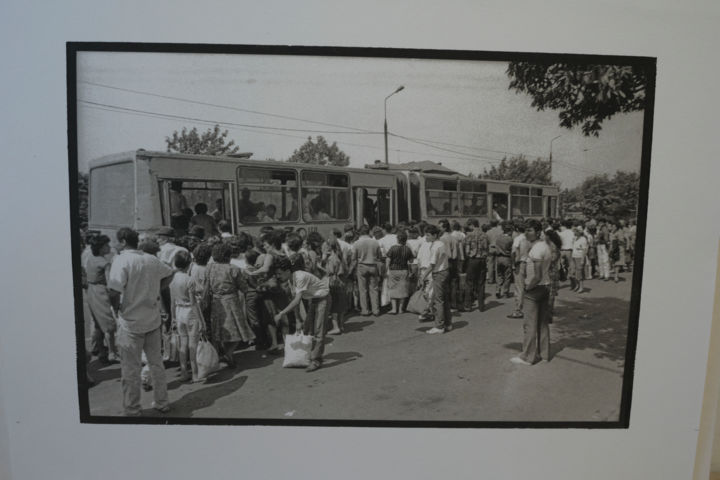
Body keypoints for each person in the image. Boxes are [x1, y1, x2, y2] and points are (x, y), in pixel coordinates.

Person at [107, 227, 175, 416]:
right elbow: (170, 273)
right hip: (152, 319)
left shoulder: (121, 260)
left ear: (122, 241)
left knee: (130, 369)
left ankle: (133, 408)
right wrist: (156, 290)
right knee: (156, 364)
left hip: (131, 322)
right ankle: (162, 402)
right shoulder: (151, 259)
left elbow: (113, 290)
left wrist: (117, 307)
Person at [274, 257, 331, 372]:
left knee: (319, 330)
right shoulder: (291, 280)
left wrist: (281, 313)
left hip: (323, 298)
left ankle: (316, 360)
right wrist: (298, 320)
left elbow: (297, 300)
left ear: (288, 271)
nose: (278, 276)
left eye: (280, 273)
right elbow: (295, 300)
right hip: (314, 299)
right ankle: (311, 355)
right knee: (307, 329)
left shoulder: (300, 277)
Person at [203, 242, 255, 367]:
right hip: (231, 302)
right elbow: (243, 287)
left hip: (216, 302)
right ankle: (228, 354)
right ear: (228, 255)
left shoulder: (209, 268)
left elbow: (206, 286)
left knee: (218, 332)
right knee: (238, 331)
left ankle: (222, 356)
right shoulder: (233, 269)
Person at [510, 220, 552, 365]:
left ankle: (528, 356)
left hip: (535, 289)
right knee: (542, 323)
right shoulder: (545, 246)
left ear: (538, 232)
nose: (527, 233)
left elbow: (538, 275)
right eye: (526, 230)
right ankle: (544, 354)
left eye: (530, 230)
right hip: (546, 287)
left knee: (529, 325)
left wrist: (528, 287)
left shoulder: (536, 250)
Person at [169, 251, 204, 382]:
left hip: (178, 311)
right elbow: (194, 303)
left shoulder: (172, 279)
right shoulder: (189, 280)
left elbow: (172, 302)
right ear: (189, 264)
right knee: (193, 344)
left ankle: (184, 372)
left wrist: (173, 318)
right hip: (190, 312)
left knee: (183, 344)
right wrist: (200, 320)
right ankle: (195, 373)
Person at [86, 235, 119, 364]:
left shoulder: (90, 258)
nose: (109, 247)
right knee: (109, 324)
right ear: (100, 248)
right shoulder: (105, 263)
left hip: (91, 290)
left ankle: (101, 351)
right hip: (100, 291)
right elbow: (110, 283)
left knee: (98, 323)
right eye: (106, 245)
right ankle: (112, 353)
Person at [420, 225, 452, 334]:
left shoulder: (435, 247)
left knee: (438, 300)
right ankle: (448, 323)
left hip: (438, 273)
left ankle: (439, 326)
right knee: (445, 299)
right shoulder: (441, 243)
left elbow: (432, 265)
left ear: (434, 235)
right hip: (445, 271)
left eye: (428, 235)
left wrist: (423, 276)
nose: (426, 237)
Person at [352, 225, 382, 316]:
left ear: (360, 232)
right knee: (374, 289)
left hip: (361, 266)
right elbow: (379, 256)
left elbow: (354, 258)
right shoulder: (375, 242)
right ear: (369, 232)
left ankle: (365, 310)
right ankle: (375, 310)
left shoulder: (356, 243)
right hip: (373, 265)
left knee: (363, 289)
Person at [385, 230, 415, 314]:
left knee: (393, 288)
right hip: (404, 270)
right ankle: (401, 309)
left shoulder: (393, 248)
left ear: (397, 239)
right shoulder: (407, 249)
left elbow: (388, 260)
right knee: (402, 289)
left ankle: (394, 309)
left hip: (393, 270)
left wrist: (385, 270)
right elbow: (411, 261)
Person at [323, 237, 348, 334]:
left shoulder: (331, 258)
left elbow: (330, 272)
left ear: (329, 247)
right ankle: (341, 326)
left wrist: (320, 266)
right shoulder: (340, 257)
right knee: (341, 305)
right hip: (341, 282)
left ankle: (335, 327)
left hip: (334, 283)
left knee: (334, 306)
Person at [463, 219, 488, 312]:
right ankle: (481, 306)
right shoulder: (485, 235)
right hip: (482, 260)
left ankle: (468, 305)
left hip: (473, 260)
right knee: (481, 283)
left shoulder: (469, 235)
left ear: (472, 225)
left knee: (469, 282)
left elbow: (466, 250)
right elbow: (486, 248)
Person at [508, 221, 531, 318]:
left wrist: (513, 264)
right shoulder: (529, 238)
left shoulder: (518, 239)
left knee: (519, 287)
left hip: (520, 263)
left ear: (517, 229)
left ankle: (518, 310)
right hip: (529, 263)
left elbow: (513, 252)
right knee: (528, 286)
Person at [494, 222, 513, 299]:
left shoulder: (498, 238)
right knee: (507, 276)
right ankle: (505, 292)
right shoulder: (510, 239)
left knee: (499, 275)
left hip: (498, 258)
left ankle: (497, 290)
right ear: (509, 231)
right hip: (507, 258)